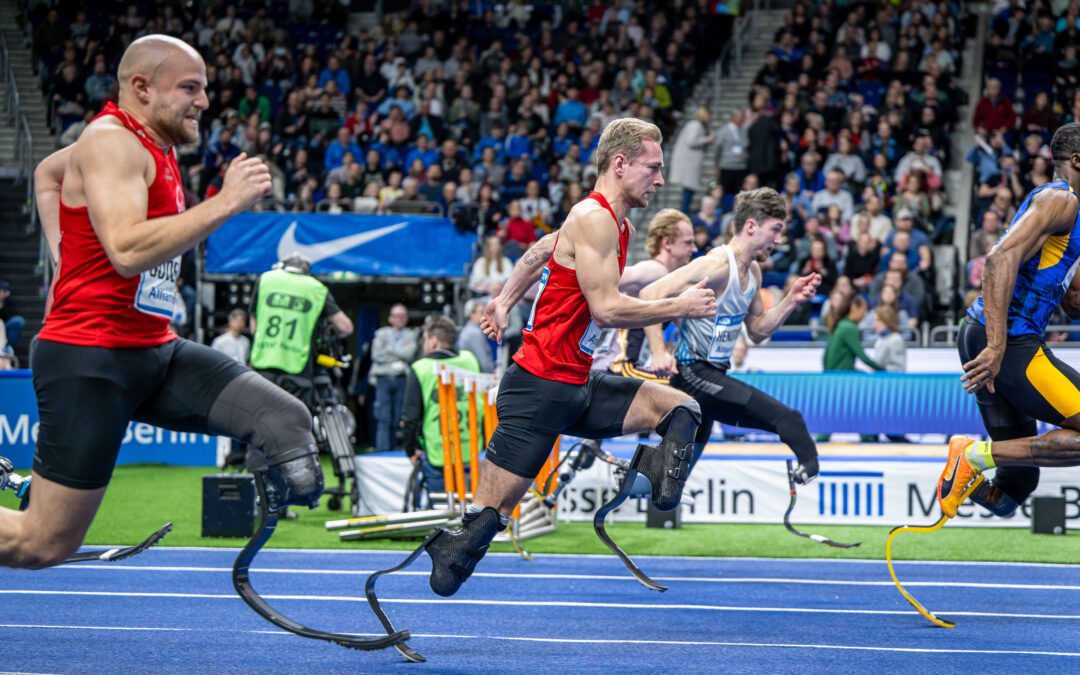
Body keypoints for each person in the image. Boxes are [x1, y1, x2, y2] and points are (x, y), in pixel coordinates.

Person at [1, 36, 324, 573]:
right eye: (190, 89)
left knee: (284, 419)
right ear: (142, 88)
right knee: (41, 543)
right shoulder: (110, 142)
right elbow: (127, 251)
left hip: (154, 351)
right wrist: (225, 203)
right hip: (90, 359)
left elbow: (49, 175)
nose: (203, 102)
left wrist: (65, 262)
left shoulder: (152, 143)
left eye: (204, 89)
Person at [421, 118, 716, 598]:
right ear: (619, 165)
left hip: (576, 386)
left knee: (682, 410)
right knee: (467, 548)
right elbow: (607, 308)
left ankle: (655, 490)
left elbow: (543, 247)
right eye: (653, 168)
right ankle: (450, 546)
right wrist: (680, 305)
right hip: (537, 389)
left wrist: (503, 298)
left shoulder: (614, 224)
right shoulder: (593, 216)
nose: (661, 180)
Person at [938, 123, 1080, 519]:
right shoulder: (1062, 199)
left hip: (985, 333)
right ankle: (970, 455)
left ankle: (966, 468)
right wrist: (997, 347)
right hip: (1006, 340)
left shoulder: (1072, 218)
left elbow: (1072, 303)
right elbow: (999, 259)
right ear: (1077, 161)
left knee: (1016, 487)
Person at [639, 188, 822, 486]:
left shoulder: (754, 273)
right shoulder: (716, 266)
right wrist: (659, 351)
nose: (779, 240)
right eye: (775, 230)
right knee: (789, 419)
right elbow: (650, 293)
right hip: (691, 375)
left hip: (712, 379)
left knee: (667, 486)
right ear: (751, 226)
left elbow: (758, 331)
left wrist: (791, 299)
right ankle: (809, 464)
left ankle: (625, 475)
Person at [249, 252, 354, 407]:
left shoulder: (266, 279)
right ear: (307, 271)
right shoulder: (316, 288)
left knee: (259, 416)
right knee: (293, 421)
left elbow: (253, 326)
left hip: (263, 364)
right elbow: (346, 327)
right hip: (298, 368)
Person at [399, 315, 481, 495]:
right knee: (473, 512)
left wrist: (410, 449)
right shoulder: (469, 360)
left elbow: (410, 417)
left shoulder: (422, 368)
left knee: (441, 512)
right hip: (471, 450)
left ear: (433, 341)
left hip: (439, 452)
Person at [370, 303, 419, 453]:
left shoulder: (411, 334)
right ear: (390, 318)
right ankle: (382, 450)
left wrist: (389, 350)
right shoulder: (381, 333)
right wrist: (399, 353)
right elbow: (377, 354)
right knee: (383, 416)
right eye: (397, 316)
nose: (400, 319)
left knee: (399, 416)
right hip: (383, 379)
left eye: (403, 316)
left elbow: (410, 354)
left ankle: (394, 449)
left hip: (401, 379)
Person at [823, 292, 885, 372]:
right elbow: (863, 357)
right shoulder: (849, 328)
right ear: (854, 308)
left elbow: (825, 357)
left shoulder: (840, 324)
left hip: (833, 375)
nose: (864, 315)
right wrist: (884, 371)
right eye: (863, 310)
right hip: (842, 377)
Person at [668, 107, 715, 214]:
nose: (711, 119)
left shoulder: (696, 125)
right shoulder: (695, 125)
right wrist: (708, 139)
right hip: (688, 163)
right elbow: (691, 141)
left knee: (689, 190)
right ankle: (683, 214)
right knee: (688, 191)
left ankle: (684, 212)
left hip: (689, 162)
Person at [457, 298, 495, 373]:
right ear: (471, 314)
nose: (484, 316)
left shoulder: (469, 330)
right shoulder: (474, 333)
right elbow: (485, 365)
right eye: (481, 312)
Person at [872, 305, 907, 372]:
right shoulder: (880, 340)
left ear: (887, 321)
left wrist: (879, 369)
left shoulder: (896, 340)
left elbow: (899, 367)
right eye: (874, 320)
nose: (874, 324)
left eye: (878, 320)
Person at [0, 280, 23, 357]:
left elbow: (11, 318)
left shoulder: (8, 304)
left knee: (18, 321)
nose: (7, 293)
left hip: (3, 331)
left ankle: (7, 350)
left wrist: (3, 304)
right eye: (4, 291)